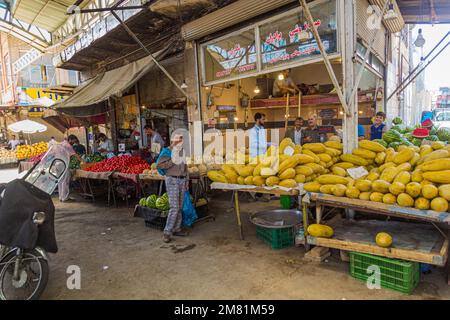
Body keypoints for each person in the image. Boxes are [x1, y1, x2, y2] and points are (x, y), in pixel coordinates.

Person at [156, 134, 189, 243]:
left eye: (181, 140)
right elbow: (160, 166)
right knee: (174, 207)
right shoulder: (166, 151)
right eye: (177, 140)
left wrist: (187, 181)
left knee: (179, 207)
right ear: (172, 141)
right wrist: (172, 161)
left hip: (182, 180)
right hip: (172, 180)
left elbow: (186, 167)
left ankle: (177, 229)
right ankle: (167, 232)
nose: (179, 142)